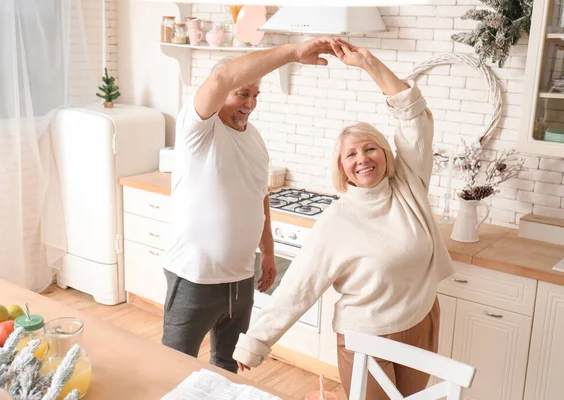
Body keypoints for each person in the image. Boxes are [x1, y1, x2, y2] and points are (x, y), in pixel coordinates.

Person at [232, 38, 456, 398]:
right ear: (342, 169)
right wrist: (255, 343)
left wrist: (370, 64)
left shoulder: (409, 186)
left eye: (370, 148)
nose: (362, 158)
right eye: (350, 154)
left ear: (386, 153)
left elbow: (414, 117)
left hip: (421, 320)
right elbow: (297, 289)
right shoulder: (337, 221)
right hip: (366, 338)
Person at [162, 37, 337, 373]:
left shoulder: (254, 137)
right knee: (174, 367)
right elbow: (220, 78)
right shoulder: (199, 130)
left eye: (256, 95)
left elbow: (260, 196)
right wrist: (291, 53)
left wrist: (268, 252)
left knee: (228, 367)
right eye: (243, 93)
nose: (251, 103)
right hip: (195, 276)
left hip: (241, 278)